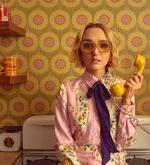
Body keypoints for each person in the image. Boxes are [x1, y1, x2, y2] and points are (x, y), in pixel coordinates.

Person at [54, 23, 143, 165]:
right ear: (80, 52)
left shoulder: (125, 88)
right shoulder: (66, 91)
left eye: (103, 45)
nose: (95, 52)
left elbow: (126, 141)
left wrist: (126, 100)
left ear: (111, 53)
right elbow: (64, 143)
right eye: (88, 45)